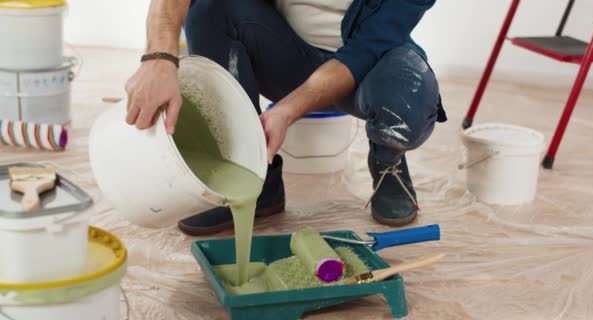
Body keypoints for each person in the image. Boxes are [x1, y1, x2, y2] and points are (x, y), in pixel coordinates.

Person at [124, 0, 447, 235]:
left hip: (371, 65)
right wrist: (160, 58)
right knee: (211, 11)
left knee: (404, 105)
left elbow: (368, 47)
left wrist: (287, 110)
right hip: (288, 55)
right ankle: (254, 176)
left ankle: (388, 162)